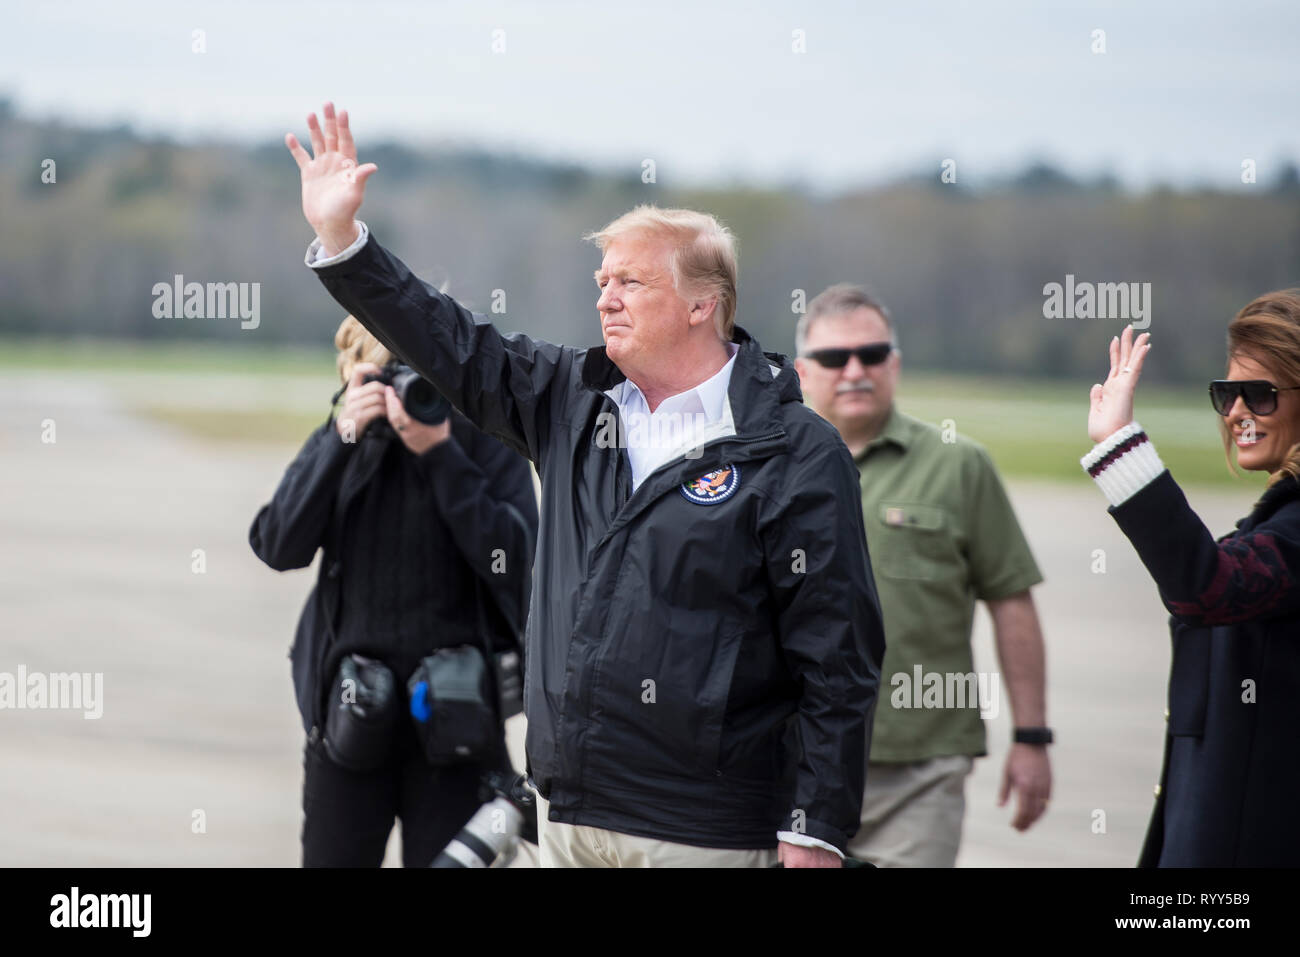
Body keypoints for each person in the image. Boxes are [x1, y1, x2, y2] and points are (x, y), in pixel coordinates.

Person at [283, 102, 885, 867]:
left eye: (630, 282)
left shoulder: (795, 448)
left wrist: (815, 825)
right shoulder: (567, 398)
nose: (605, 297)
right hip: (567, 821)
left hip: (703, 831)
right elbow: (449, 339)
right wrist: (344, 242)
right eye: (603, 280)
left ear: (704, 304)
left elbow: (838, 654)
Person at [248, 315, 538, 867]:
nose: (409, 390)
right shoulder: (344, 441)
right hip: (351, 717)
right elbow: (277, 545)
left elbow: (519, 564)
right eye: (389, 375)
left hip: (459, 724)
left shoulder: (476, 442)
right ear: (353, 375)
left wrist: (441, 454)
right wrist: (342, 438)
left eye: (425, 374)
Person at [794, 284, 1052, 867]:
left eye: (874, 354)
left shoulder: (960, 465)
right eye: (835, 358)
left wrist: (1032, 736)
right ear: (804, 372)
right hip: (791, 766)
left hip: (918, 772)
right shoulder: (771, 467)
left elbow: (1012, 601)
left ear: (896, 364)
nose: (855, 370)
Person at [1083, 302, 1300, 866]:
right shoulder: (1277, 522)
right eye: (1226, 395)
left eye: (1261, 394)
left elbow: (1209, 586)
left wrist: (1120, 449)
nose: (1236, 412)